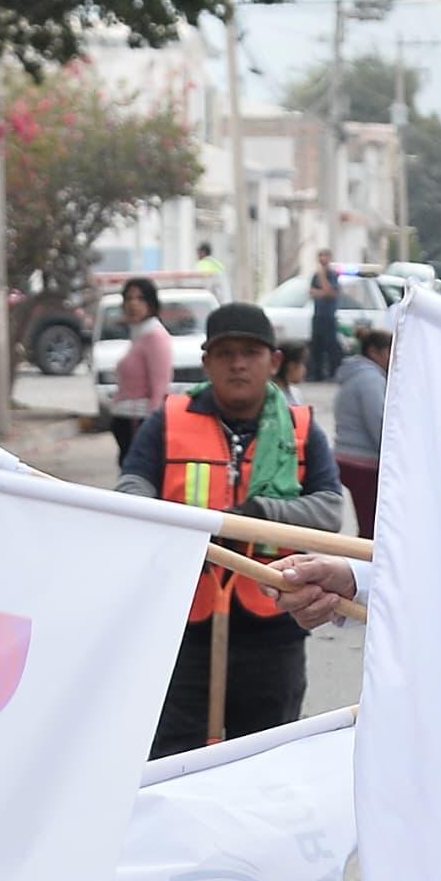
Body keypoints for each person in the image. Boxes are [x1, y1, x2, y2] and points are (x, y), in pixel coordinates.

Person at [116, 301, 351, 756]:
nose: (238, 364)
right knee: (174, 760)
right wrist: (175, 524)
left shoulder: (301, 430)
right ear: (206, 362)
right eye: (225, 353)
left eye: (251, 352)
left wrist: (258, 513)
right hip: (183, 629)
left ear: (274, 362)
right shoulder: (171, 419)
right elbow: (130, 487)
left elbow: (328, 511)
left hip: (273, 631)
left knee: (263, 764)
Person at [328, 320, 391, 542]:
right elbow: (379, 421)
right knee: (372, 529)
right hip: (364, 461)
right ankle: (364, 572)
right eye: (389, 352)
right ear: (374, 352)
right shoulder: (370, 379)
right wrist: (394, 457)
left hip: (347, 456)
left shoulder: (355, 374)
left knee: (369, 525)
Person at [109, 278, 177, 444]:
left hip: (139, 422)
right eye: (129, 299)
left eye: (140, 298)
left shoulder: (155, 336)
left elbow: (160, 389)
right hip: (125, 419)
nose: (133, 304)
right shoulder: (138, 335)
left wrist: (151, 429)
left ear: (151, 303)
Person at [306, 250, 346, 378]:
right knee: (316, 346)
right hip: (318, 316)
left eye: (325, 256)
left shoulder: (332, 275)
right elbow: (312, 292)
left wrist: (323, 277)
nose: (323, 259)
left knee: (331, 346)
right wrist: (322, 292)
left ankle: (333, 374)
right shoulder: (315, 276)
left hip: (329, 317)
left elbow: (331, 293)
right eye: (320, 256)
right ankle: (317, 374)